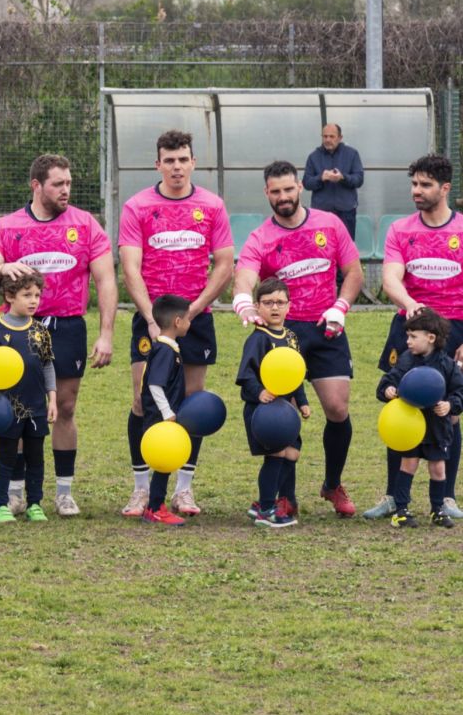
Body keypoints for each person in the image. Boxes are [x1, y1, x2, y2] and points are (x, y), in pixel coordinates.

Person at [0, 153, 117, 517]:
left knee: (65, 407)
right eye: (58, 184)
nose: (66, 190)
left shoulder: (85, 224)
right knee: (19, 408)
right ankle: (17, 492)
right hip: (18, 330)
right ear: (36, 186)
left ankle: (64, 492)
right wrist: (2, 265)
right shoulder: (8, 226)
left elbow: (105, 280)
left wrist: (106, 334)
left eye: (69, 183)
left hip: (67, 326)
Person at [233, 159, 363, 517]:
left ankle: (332, 484)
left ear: (299, 188)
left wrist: (341, 305)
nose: (283, 197)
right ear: (267, 194)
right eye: (275, 191)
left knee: (337, 409)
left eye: (288, 189)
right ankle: (285, 495)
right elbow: (244, 273)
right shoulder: (262, 237)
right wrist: (244, 300)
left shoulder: (330, 224)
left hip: (327, 327)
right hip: (283, 334)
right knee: (284, 414)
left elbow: (353, 272)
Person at [118, 129, 233, 518]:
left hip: (196, 319)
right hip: (151, 320)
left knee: (190, 403)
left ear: (193, 162)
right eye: (169, 160)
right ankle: (140, 488)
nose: (177, 167)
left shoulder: (212, 206)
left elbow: (224, 263)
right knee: (141, 401)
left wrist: (197, 309)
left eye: (183, 159)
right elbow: (130, 267)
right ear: (158, 165)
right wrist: (151, 317)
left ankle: (183, 488)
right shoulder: (137, 206)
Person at [369, 155, 463, 521]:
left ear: (445, 188)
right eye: (414, 185)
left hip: (455, 328)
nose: (416, 192)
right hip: (409, 327)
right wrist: (411, 306)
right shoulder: (401, 230)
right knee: (400, 408)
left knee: (449, 412)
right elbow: (392, 277)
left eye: (424, 185)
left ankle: (448, 498)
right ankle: (394, 496)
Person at [0, 270, 57, 524]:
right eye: (27, 295)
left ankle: (35, 504)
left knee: (36, 457)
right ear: (10, 296)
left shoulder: (41, 330)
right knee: (6, 457)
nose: (34, 300)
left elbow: (47, 366)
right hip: (7, 408)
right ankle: (0, 505)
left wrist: (52, 399)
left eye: (37, 295)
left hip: (36, 407)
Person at [376, 308, 463, 529]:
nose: (408, 341)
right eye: (408, 336)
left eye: (413, 337)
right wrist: (388, 390)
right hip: (410, 426)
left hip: (437, 427)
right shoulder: (407, 360)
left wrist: (449, 405)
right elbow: (387, 382)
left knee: (438, 469)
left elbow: (459, 392)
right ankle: (401, 510)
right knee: (408, 465)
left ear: (431, 338)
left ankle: (438, 510)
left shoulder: (448, 365)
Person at [236, 278, 311, 529]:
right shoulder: (257, 339)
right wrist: (259, 393)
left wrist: (302, 401)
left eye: (280, 302)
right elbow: (245, 376)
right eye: (268, 303)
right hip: (264, 410)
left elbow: (294, 373)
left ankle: (280, 501)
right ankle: (267, 509)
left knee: (292, 453)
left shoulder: (291, 337)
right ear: (257, 306)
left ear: (289, 306)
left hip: (286, 410)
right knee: (276, 454)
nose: (275, 308)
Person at [137, 294, 192, 526]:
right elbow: (154, 384)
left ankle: (155, 505)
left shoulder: (168, 347)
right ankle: (155, 508)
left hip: (164, 416)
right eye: (188, 319)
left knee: (165, 462)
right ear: (178, 322)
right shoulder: (165, 351)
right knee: (163, 462)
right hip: (160, 417)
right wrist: (167, 412)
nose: (190, 323)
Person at [301, 123, 364, 242]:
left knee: (347, 246)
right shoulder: (313, 157)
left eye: (331, 136)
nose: (328, 140)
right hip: (321, 212)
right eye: (325, 136)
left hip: (346, 210)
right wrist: (321, 178)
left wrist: (342, 178)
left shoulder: (352, 154)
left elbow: (359, 179)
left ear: (340, 138)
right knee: (323, 246)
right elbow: (306, 183)